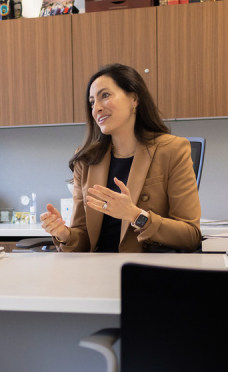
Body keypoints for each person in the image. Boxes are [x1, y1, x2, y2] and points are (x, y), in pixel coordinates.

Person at [40, 63, 201, 253]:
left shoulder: (172, 150)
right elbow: (83, 239)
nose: (96, 108)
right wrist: (63, 234)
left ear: (134, 98)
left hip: (145, 273)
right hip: (96, 274)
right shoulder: (86, 160)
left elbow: (191, 236)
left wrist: (135, 215)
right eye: (92, 102)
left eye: (105, 96)